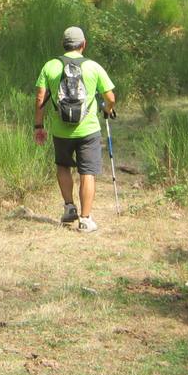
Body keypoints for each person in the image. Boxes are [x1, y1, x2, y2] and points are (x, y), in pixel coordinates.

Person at [34, 26, 116, 232]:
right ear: (83, 44)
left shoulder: (50, 66)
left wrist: (38, 126)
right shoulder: (93, 67)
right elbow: (111, 97)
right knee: (87, 171)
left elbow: (40, 99)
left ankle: (69, 207)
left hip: (61, 131)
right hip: (88, 130)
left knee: (63, 166)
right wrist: (108, 109)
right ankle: (86, 219)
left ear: (64, 45)